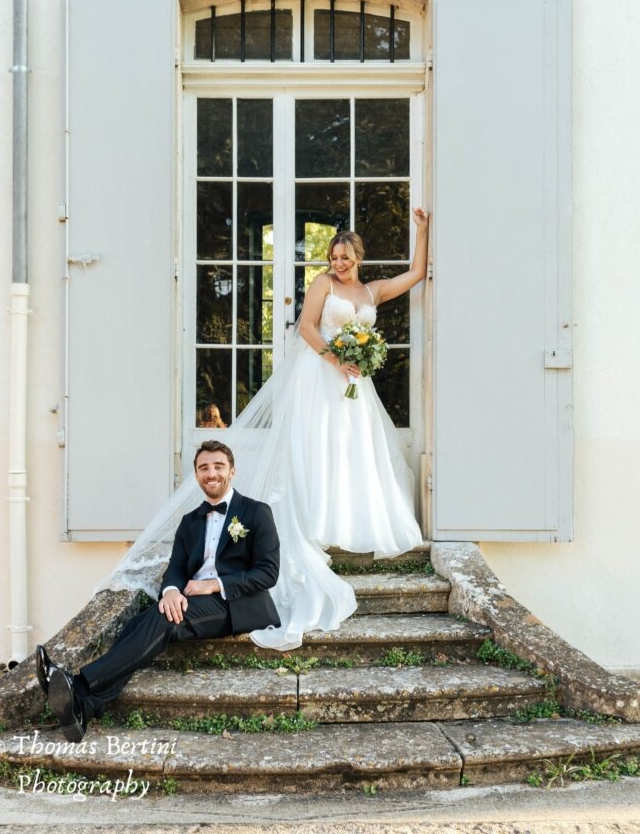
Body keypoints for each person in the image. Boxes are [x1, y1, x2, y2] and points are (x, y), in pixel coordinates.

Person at [97, 210, 430, 653]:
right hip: (323, 377)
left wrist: (422, 231)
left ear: (359, 258)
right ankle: (318, 520)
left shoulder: (370, 291)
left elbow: (417, 273)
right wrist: (338, 359)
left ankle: (351, 520)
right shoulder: (322, 285)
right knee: (319, 449)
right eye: (333, 257)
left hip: (354, 384)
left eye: (345, 257)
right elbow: (307, 328)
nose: (339, 263)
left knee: (354, 451)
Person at [36, 440, 280, 742]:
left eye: (218, 466)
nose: (211, 473)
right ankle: (84, 709)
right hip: (193, 600)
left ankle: (79, 683)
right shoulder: (190, 522)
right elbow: (175, 569)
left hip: (237, 604)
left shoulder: (257, 512)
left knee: (165, 621)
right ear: (196, 475)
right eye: (204, 468)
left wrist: (214, 584)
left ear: (232, 471)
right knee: (138, 624)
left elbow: (267, 573)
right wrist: (171, 592)